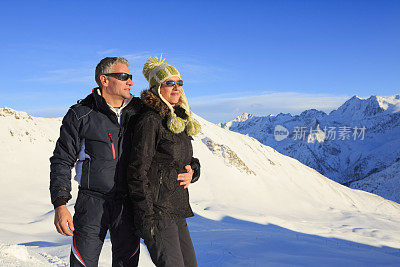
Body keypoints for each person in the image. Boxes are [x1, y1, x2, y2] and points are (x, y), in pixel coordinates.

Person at [49, 57, 142, 266]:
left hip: (128, 204)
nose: (131, 82)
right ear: (105, 80)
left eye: (131, 77)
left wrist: (193, 167)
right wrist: (60, 204)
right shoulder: (81, 114)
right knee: (83, 263)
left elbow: (168, 144)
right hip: (92, 203)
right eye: (124, 76)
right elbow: (62, 160)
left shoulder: (140, 112)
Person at [127, 55, 201, 267]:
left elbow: (186, 159)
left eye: (179, 83)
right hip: (157, 212)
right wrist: (146, 218)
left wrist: (193, 171)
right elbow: (137, 171)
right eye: (169, 83)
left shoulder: (178, 119)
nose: (176, 87)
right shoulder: (150, 120)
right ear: (158, 87)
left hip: (177, 209)